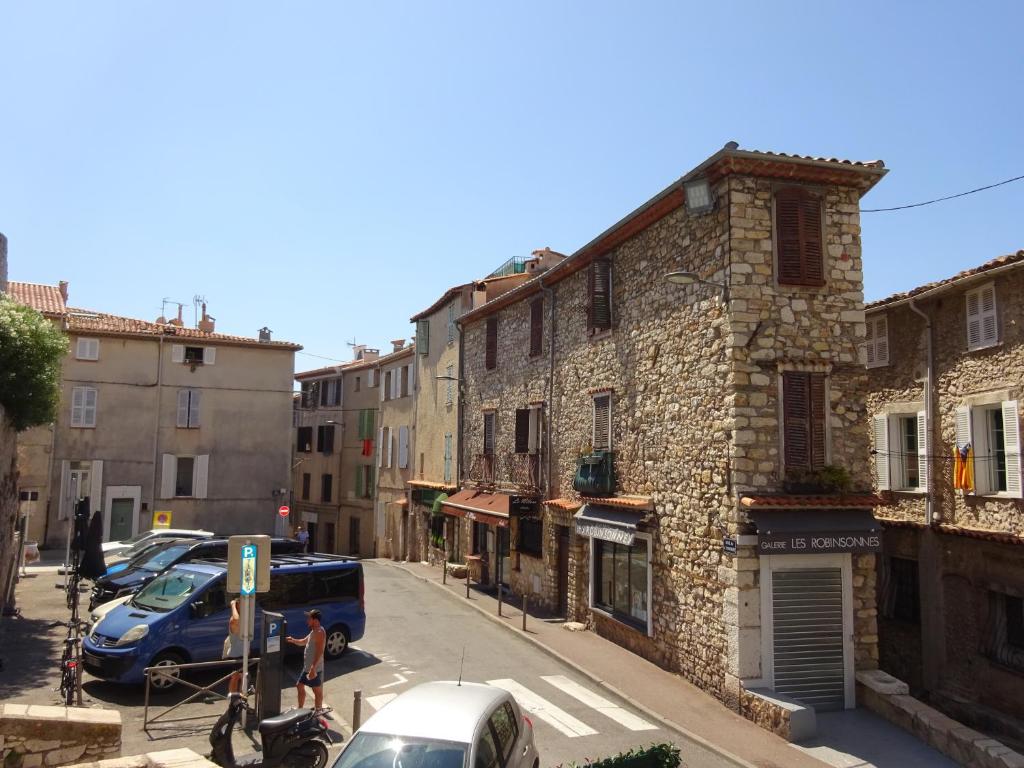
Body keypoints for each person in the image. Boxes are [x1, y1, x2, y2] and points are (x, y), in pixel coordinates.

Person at [287, 608, 326, 712]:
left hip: (314, 669)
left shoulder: (319, 632)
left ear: (315, 620)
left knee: (316, 691)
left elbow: (319, 651)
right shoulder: (313, 631)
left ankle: (318, 711)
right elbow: (304, 641)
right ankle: (300, 709)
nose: (307, 620)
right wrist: (293, 640)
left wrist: (313, 669)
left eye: (309, 618)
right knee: (299, 685)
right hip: (307, 668)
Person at [224, 598, 244, 694]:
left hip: (242, 654)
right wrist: (232, 604)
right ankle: (232, 697)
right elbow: (236, 619)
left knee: (243, 677)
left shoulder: (244, 618)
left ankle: (240, 697)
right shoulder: (234, 619)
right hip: (235, 655)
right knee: (235, 677)